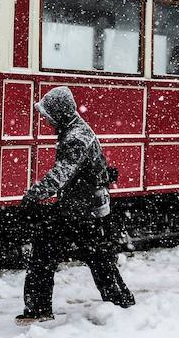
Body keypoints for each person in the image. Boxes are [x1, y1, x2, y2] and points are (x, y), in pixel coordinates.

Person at [16, 86, 135, 325]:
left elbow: (62, 173)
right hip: (83, 206)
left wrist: (34, 194)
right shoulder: (76, 129)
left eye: (48, 116)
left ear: (59, 113)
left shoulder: (75, 137)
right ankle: (121, 303)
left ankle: (38, 308)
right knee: (97, 258)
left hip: (81, 209)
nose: (47, 121)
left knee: (48, 255)